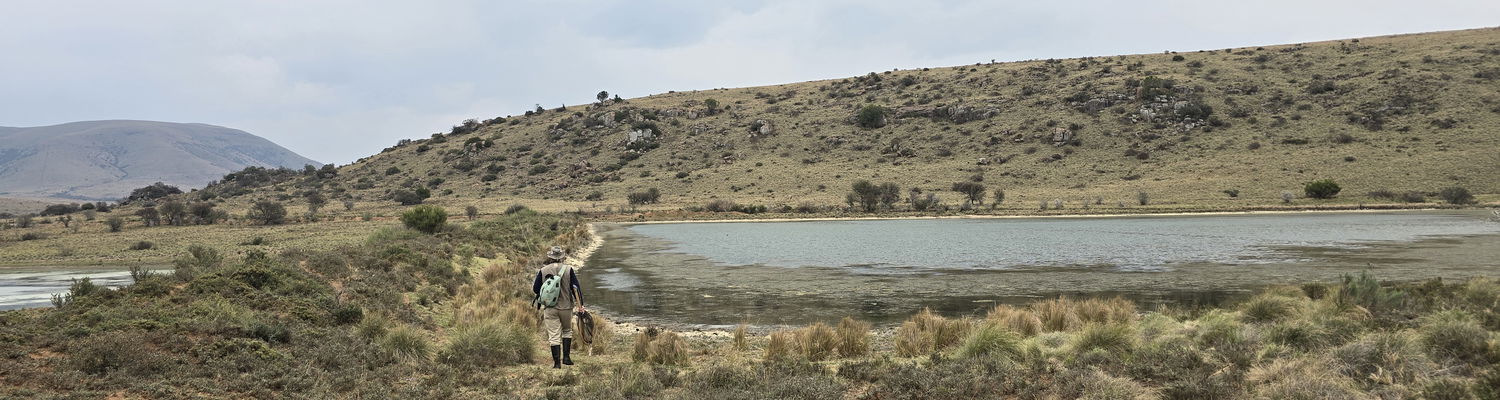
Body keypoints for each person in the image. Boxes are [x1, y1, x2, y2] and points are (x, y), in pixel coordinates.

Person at [532, 246, 584, 369]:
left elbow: (535, 289)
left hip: (550, 308)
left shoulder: (543, 270)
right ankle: (566, 358)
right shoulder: (569, 269)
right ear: (562, 257)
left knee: (554, 335)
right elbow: (576, 288)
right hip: (566, 307)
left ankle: (556, 364)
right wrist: (580, 305)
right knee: (567, 331)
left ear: (550, 257)